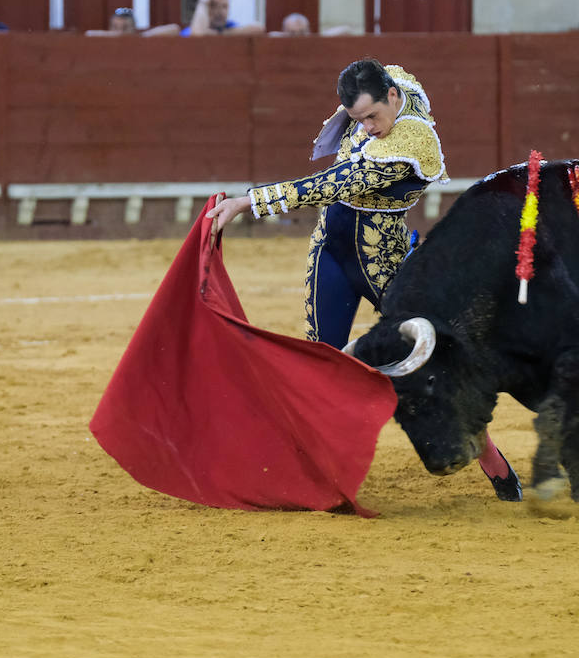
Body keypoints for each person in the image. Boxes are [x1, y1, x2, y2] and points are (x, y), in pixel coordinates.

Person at [206, 58, 524, 501]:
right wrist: (351, 114)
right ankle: (320, 475)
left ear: (393, 98)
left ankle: (489, 457)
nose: (369, 128)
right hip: (331, 252)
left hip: (386, 265)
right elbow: (384, 76)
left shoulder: (412, 142)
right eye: (359, 120)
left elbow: (336, 183)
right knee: (321, 365)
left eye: (373, 116)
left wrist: (249, 202)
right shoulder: (393, 84)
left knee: (429, 363)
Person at [180, 0, 263, 36]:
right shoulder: (194, 28)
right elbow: (197, 34)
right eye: (214, 6)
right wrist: (203, 2)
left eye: (224, 6)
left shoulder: (229, 25)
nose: (220, 11)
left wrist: (219, 34)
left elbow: (258, 28)